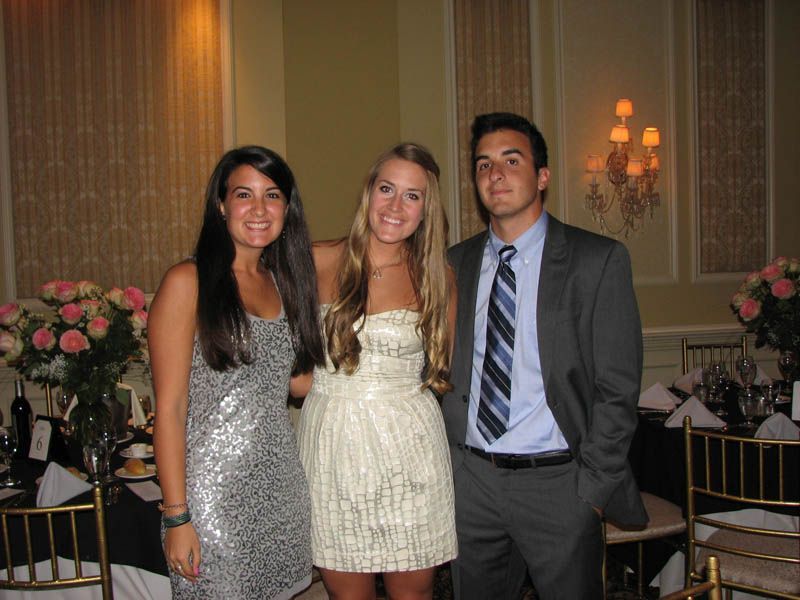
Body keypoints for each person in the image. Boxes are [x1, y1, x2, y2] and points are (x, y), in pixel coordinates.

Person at [442, 113, 647, 599]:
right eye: (483, 164)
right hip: (471, 483)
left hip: (559, 485)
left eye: (512, 160)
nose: (495, 174)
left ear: (542, 176)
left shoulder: (597, 260)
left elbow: (618, 389)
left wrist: (591, 493)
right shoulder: (453, 264)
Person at [149, 146, 324, 599]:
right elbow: (169, 410)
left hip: (282, 491)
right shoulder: (188, 282)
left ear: (288, 208)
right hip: (213, 501)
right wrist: (176, 515)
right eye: (244, 194)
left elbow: (298, 383)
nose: (260, 209)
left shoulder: (286, 283)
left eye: (273, 196)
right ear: (221, 205)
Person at [296, 143, 458, 599]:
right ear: (368, 193)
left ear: (427, 209)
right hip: (335, 448)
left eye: (412, 195)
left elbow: (439, 370)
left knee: (415, 594)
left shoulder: (439, 278)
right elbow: (284, 362)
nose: (395, 206)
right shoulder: (316, 260)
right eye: (387, 188)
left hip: (411, 451)